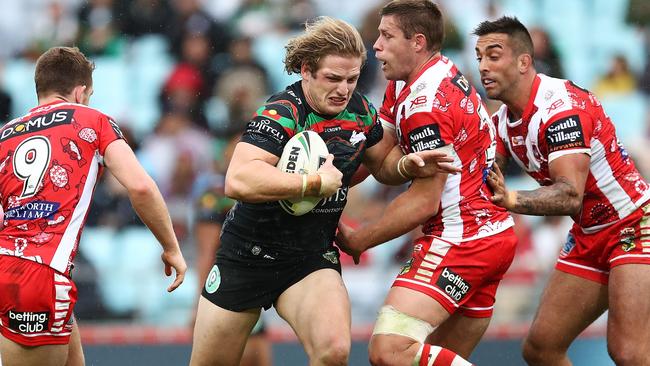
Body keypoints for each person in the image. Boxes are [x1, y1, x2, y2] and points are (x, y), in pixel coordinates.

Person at [189, 16, 456, 366]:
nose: (343, 89)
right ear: (306, 71)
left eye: (352, 79)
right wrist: (312, 183)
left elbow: (381, 166)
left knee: (333, 351)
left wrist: (407, 165)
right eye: (333, 78)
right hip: (246, 257)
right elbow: (238, 180)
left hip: (310, 258)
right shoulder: (283, 111)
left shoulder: (359, 111)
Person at [335, 1, 518, 365]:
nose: (376, 46)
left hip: (460, 239)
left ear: (417, 42)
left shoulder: (426, 105)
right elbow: (380, 159)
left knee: (389, 352)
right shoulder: (415, 78)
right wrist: (320, 182)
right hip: (491, 235)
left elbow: (423, 202)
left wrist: (359, 239)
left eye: (386, 36)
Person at [474, 17, 650, 365]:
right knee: (541, 348)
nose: (483, 66)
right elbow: (474, 176)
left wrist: (510, 199)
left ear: (524, 62)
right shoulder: (500, 122)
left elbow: (570, 195)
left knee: (628, 352)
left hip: (633, 226)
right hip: (588, 234)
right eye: (478, 57)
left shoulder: (561, 108)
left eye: (493, 56)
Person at [0, 47, 187, 366]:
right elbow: (140, 186)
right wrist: (171, 247)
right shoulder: (92, 119)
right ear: (80, 91)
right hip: (41, 274)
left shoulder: (7, 134)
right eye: (89, 94)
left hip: (11, 268)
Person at [193, 134, 272, 366]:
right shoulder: (214, 196)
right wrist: (199, 303)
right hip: (231, 282)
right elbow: (207, 252)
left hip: (253, 282)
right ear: (227, 152)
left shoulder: (263, 187)